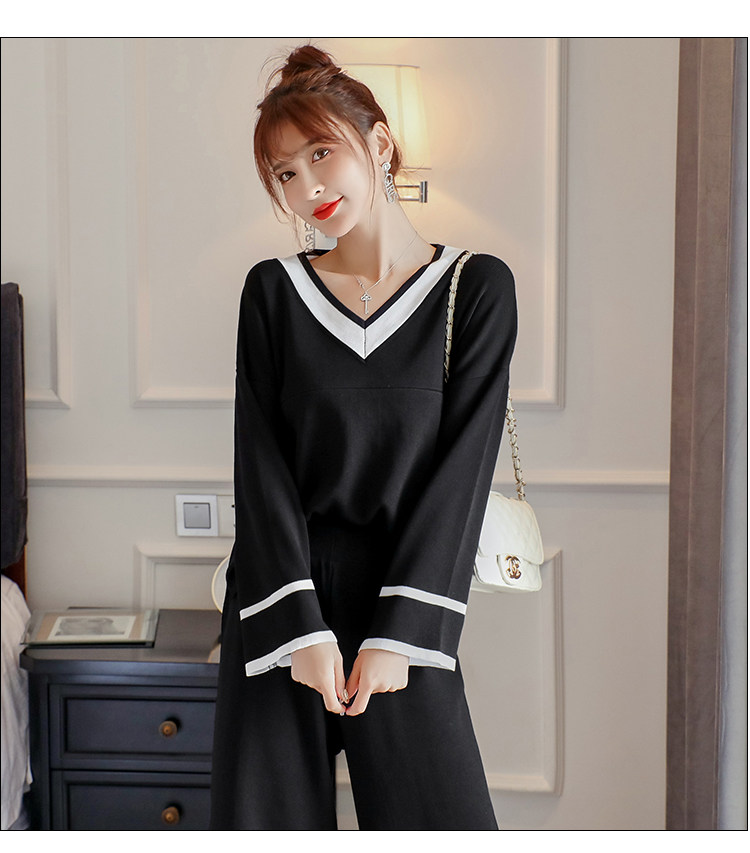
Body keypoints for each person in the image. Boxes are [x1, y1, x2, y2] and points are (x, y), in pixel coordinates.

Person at [210, 44, 517, 831]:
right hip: (283, 597)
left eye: (322, 154)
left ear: (379, 143)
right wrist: (298, 627)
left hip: (403, 597)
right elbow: (261, 469)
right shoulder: (273, 293)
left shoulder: (474, 289)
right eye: (285, 172)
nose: (307, 187)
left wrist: (401, 636)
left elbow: (462, 476)